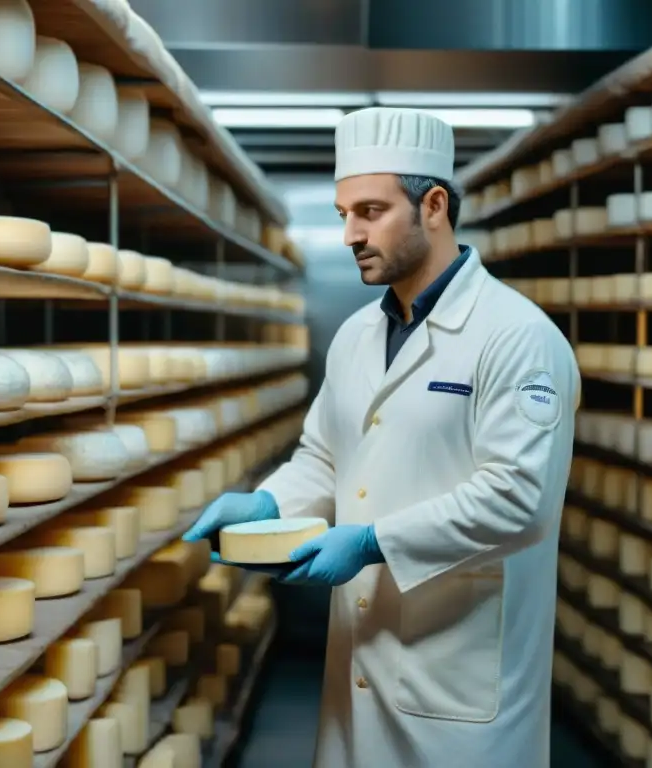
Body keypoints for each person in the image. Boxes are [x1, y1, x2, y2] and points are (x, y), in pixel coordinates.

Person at [184, 107, 579, 768]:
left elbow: (520, 499)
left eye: (370, 211)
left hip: (457, 675)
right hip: (360, 662)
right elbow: (324, 456)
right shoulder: (356, 338)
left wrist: (373, 542)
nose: (349, 234)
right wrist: (270, 505)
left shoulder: (518, 337)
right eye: (342, 214)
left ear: (433, 206)